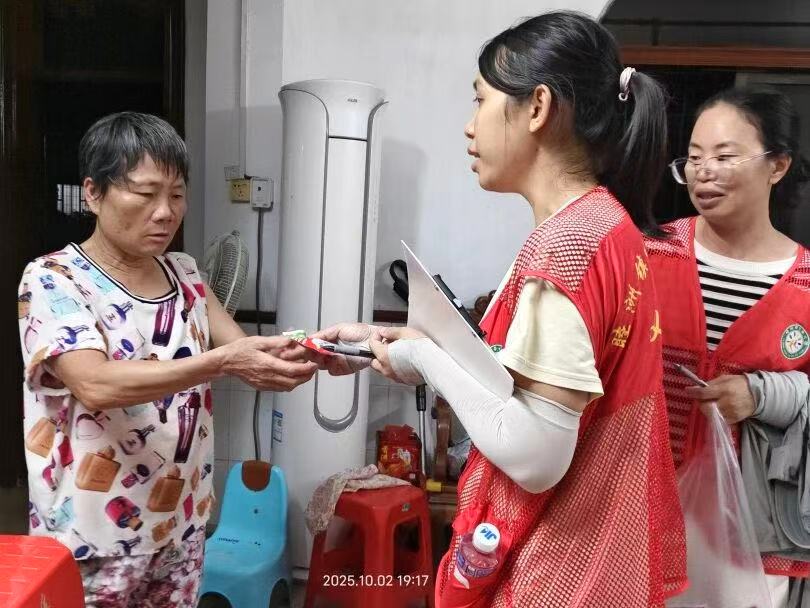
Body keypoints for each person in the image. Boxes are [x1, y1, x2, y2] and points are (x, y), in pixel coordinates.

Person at [315, 11, 687, 607]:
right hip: (602, 554)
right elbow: (513, 371)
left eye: (480, 100)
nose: (469, 127)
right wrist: (391, 343)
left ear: (537, 107)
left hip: (559, 570)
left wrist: (423, 359)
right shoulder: (604, 224)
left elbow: (535, 455)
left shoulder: (564, 248)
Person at [17, 112, 318, 607]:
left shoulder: (186, 273)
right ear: (93, 193)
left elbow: (244, 352)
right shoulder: (54, 279)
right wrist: (221, 362)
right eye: (145, 193)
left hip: (182, 523)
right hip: (91, 536)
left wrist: (317, 351)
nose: (165, 212)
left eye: (177, 195)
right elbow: (95, 383)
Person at [645, 87, 810, 608]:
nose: (704, 173)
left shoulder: (806, 285)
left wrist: (761, 394)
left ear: (777, 166)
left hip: (754, 534)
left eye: (724, 157)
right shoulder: (648, 255)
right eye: (693, 159)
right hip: (641, 515)